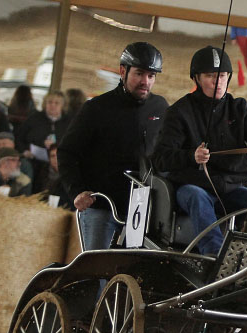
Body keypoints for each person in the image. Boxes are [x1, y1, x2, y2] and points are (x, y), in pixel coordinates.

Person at [152, 46, 247, 256]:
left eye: (223, 76)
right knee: (198, 198)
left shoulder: (239, 108)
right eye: (211, 76)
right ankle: (216, 257)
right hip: (191, 187)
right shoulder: (179, 112)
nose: (218, 82)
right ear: (197, 79)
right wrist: (192, 156)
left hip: (230, 188)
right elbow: (161, 159)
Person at [59, 42, 168, 251]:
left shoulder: (161, 108)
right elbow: (67, 152)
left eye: (151, 76)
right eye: (139, 74)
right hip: (102, 205)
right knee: (98, 271)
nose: (145, 81)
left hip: (142, 209)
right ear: (123, 71)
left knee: (135, 274)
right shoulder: (96, 109)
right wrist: (77, 191)